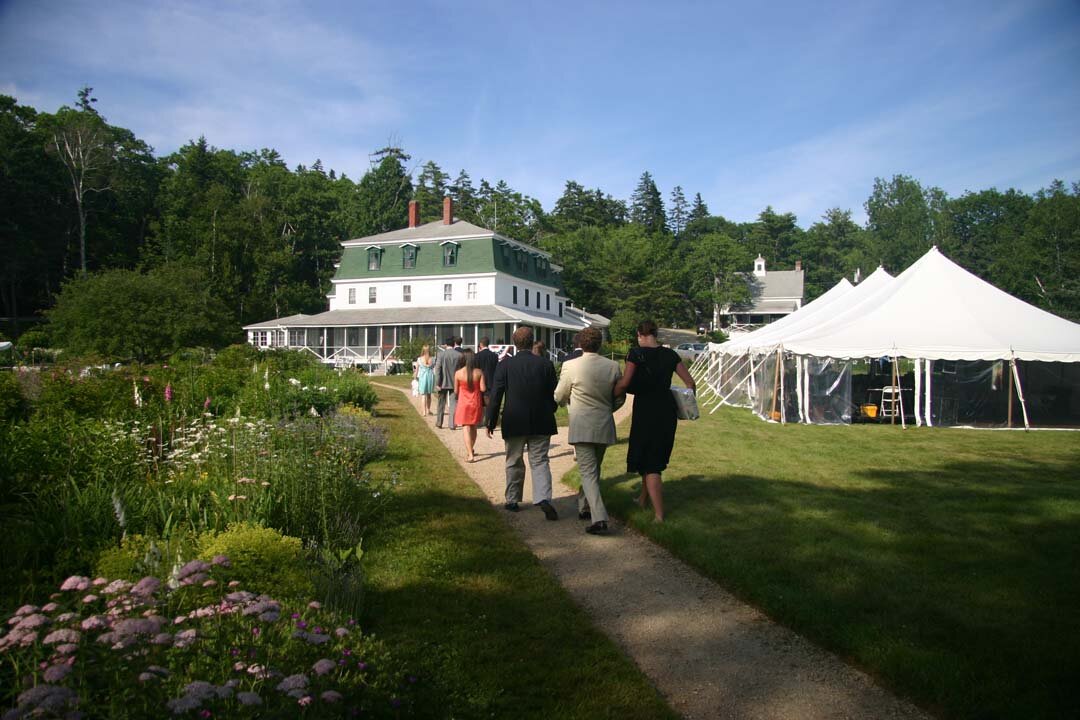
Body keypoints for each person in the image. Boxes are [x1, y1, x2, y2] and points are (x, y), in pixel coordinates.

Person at [613, 320, 696, 523]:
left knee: (652, 464)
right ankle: (642, 499)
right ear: (655, 334)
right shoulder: (670, 355)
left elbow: (625, 382)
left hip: (646, 410)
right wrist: (686, 404)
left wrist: (611, 396)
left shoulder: (636, 354)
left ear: (640, 334)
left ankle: (659, 515)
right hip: (666, 410)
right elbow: (690, 383)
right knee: (652, 454)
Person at [554, 327, 623, 535]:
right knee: (594, 471)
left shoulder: (570, 365)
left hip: (582, 424)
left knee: (589, 472)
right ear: (599, 344)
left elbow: (558, 396)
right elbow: (620, 398)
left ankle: (599, 517)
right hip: (604, 424)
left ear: (580, 344)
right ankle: (584, 507)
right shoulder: (612, 366)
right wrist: (607, 409)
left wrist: (567, 401)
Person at [486, 326, 559, 520]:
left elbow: (496, 396)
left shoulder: (505, 365)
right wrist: (551, 408)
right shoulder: (545, 364)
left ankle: (512, 499)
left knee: (513, 460)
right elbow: (554, 393)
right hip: (541, 419)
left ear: (515, 343)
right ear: (532, 341)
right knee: (540, 460)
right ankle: (543, 497)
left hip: (514, 419)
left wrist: (491, 420)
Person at [453, 348, 487, 462]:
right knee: (473, 427)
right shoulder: (479, 372)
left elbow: (456, 391)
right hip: (475, 402)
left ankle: (470, 454)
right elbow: (483, 389)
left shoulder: (458, 373)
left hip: (463, 402)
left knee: (466, 427)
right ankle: (471, 449)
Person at [434, 336, 462, 429]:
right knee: (453, 403)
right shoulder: (459, 355)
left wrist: (437, 383)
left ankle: (439, 422)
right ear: (454, 344)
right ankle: (452, 424)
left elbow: (437, 369)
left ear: (446, 345)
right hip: (455, 382)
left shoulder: (441, 354)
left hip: (442, 382)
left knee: (441, 403)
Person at [474, 336, 499, 405]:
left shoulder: (477, 356)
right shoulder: (494, 356)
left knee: (480, 405)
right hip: (491, 382)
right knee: (490, 405)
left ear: (481, 344)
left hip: (479, 383)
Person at [414, 344, 436, 415]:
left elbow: (416, 370)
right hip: (430, 377)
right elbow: (434, 368)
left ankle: (424, 411)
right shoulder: (433, 359)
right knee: (429, 394)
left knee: (423, 395)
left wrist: (415, 378)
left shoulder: (419, 359)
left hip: (423, 377)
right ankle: (428, 410)